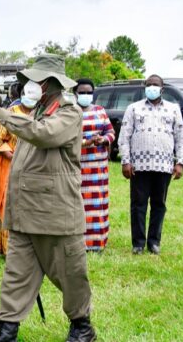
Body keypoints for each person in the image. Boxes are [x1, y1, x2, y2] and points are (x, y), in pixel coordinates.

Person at [0, 54, 95, 342]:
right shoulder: (36, 111)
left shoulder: (68, 113)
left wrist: (0, 113)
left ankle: (82, 327)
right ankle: (6, 330)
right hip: (25, 211)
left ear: (50, 84)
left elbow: (43, 135)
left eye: (35, 80)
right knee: (17, 274)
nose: (29, 84)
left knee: (70, 273)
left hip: (55, 212)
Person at [118, 74, 183, 255]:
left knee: (159, 204)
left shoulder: (173, 109)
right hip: (139, 165)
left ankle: (154, 242)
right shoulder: (134, 108)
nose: (152, 87)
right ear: (144, 87)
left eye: (155, 85)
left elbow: (180, 138)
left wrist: (180, 162)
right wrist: (126, 161)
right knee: (138, 204)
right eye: (149, 85)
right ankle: (138, 243)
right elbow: (124, 136)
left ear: (162, 89)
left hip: (163, 165)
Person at [0, 93, 35, 257]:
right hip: (11, 167)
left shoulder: (41, 113)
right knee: (9, 204)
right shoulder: (10, 113)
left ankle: (30, 249)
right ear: (22, 95)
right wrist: (14, 157)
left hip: (35, 168)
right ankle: (8, 250)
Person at [74, 78, 115, 252]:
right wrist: (86, 142)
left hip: (98, 168)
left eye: (88, 92)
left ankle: (97, 243)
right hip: (77, 165)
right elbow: (67, 138)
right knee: (79, 205)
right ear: (75, 93)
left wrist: (104, 139)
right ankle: (78, 242)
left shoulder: (100, 111)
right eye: (82, 92)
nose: (85, 95)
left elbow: (111, 132)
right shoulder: (70, 112)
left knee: (98, 205)